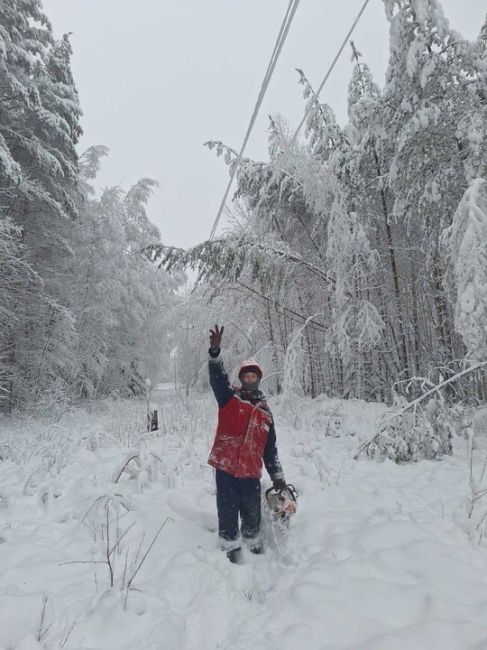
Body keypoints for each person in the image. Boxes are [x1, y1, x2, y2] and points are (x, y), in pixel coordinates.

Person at [207, 324, 287, 563]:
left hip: (251, 473)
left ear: (259, 380)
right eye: (246, 376)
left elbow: (270, 450)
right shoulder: (229, 397)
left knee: (252, 518)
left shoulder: (265, 413)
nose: (250, 380)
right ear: (241, 379)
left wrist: (278, 477)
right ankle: (229, 549)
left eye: (254, 377)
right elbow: (217, 379)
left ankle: (253, 549)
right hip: (226, 469)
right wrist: (215, 354)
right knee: (228, 513)